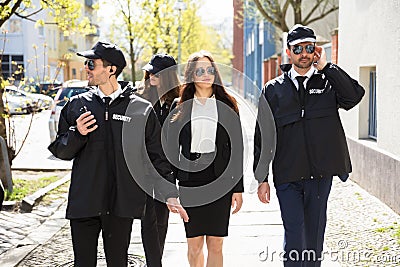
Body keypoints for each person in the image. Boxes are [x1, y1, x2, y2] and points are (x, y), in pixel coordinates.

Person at [48, 41, 188, 267]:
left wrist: (170, 194)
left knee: (118, 263)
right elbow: (60, 150)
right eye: (86, 63)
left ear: (111, 69)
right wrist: (78, 133)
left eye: (91, 63)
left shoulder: (140, 109)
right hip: (84, 203)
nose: (86, 68)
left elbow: (157, 158)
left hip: (120, 205)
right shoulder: (77, 105)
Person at [254, 25, 365, 266]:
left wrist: (327, 68)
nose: (304, 53)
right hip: (287, 175)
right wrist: (261, 178)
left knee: (314, 238)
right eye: (298, 49)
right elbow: (262, 136)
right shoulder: (273, 90)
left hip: (320, 175)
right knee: (295, 237)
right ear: (288, 52)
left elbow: (354, 96)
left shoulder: (328, 84)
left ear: (316, 50)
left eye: (309, 48)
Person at [166, 50, 244, 267]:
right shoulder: (179, 106)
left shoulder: (228, 104)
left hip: (220, 181)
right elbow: (171, 150)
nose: (206, 74)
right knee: (194, 245)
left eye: (210, 69)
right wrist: (170, 190)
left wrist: (237, 188)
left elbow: (237, 150)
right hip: (191, 181)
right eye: (200, 70)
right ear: (191, 74)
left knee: (216, 244)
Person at [138, 53, 180, 267]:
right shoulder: (141, 99)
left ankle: (155, 262)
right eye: (150, 71)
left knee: (160, 220)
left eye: (156, 72)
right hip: (143, 168)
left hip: (166, 170)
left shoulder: (179, 102)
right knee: (147, 220)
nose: (151, 75)